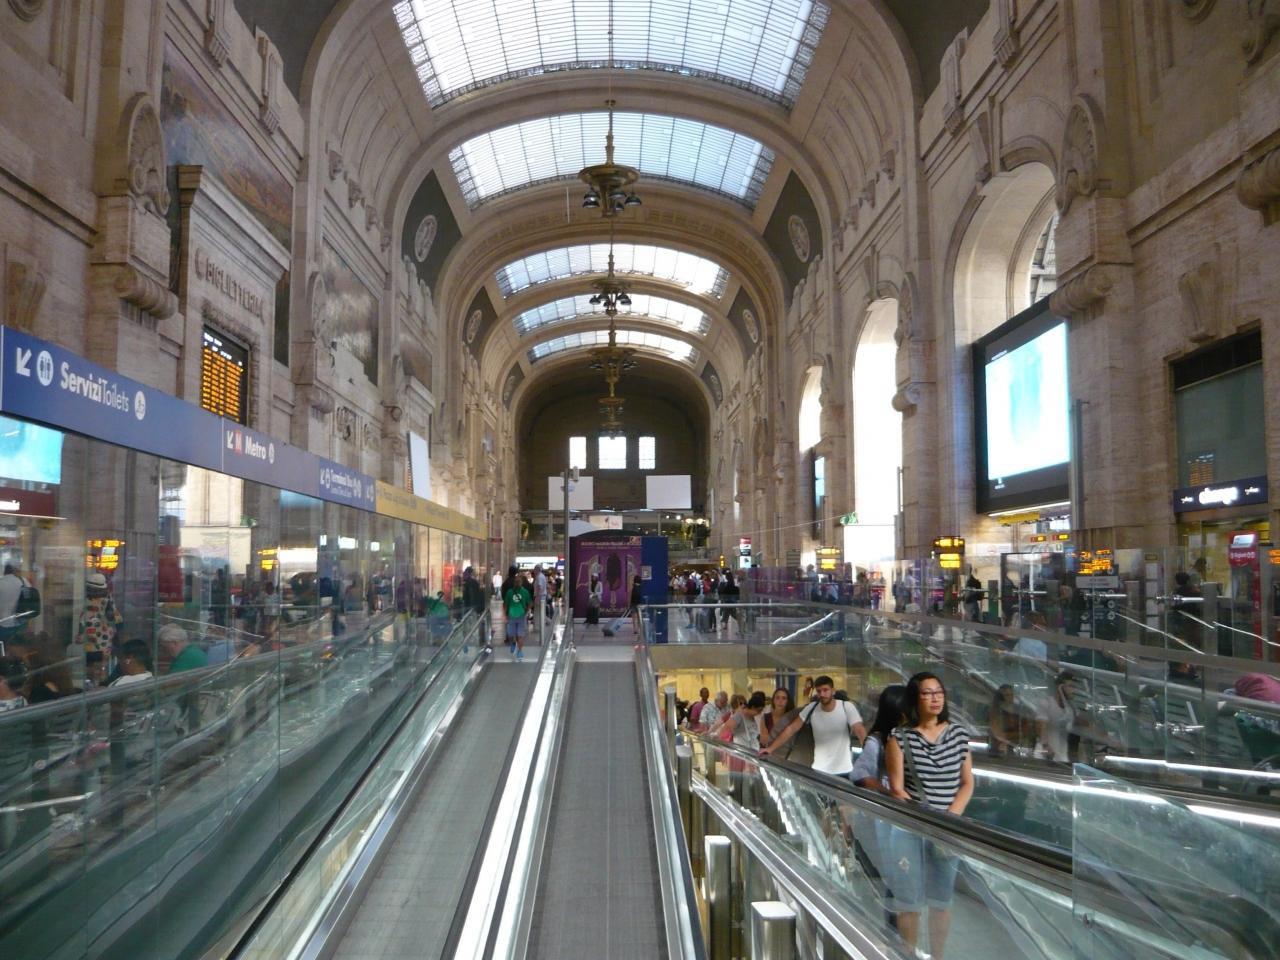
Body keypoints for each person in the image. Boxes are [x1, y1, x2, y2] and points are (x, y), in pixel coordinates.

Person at [885, 672, 973, 960]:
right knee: (908, 900)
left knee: (941, 900)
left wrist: (950, 816)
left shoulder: (958, 735)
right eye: (927, 693)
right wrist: (924, 819)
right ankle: (908, 953)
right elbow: (897, 789)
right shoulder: (899, 737)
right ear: (915, 698)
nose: (935, 698)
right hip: (910, 828)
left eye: (939, 692)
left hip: (947, 829)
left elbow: (967, 782)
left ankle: (937, 957)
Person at [760, 675, 867, 776]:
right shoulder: (811, 708)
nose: (822, 694)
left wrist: (867, 755)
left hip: (842, 769)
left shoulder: (846, 706)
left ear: (833, 691)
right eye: (819, 691)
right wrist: (770, 749)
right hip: (818, 769)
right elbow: (791, 729)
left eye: (825, 690)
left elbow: (859, 729)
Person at [1039, 671, 1077, 762]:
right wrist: (1046, 746)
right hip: (1046, 755)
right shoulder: (1046, 703)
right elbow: (1040, 727)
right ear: (1060, 687)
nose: (1074, 690)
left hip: (1062, 757)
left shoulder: (1069, 710)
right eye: (1071, 686)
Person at [988, 684, 1031, 756]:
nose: (1011, 697)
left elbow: (1026, 730)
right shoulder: (996, 711)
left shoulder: (1019, 710)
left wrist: (1017, 735)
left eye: (1012, 694)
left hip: (1016, 747)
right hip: (998, 748)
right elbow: (998, 733)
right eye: (1007, 695)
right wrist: (1017, 734)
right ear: (1001, 697)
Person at [758, 687, 796, 756]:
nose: (780, 701)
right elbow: (764, 740)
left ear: (788, 701)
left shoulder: (792, 718)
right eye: (777, 698)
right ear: (773, 700)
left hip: (787, 756)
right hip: (769, 756)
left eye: (784, 698)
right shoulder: (766, 718)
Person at [504, 572, 532, 661]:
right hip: (521, 615)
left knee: (513, 634)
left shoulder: (510, 592)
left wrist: (505, 615)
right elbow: (530, 603)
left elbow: (506, 604)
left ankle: (514, 645)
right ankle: (519, 651)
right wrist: (527, 611)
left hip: (512, 614)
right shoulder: (525, 592)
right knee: (519, 635)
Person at [0, 563, 27, 644]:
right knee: (18, 647)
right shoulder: (23, 582)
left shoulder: (1, 583)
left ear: (4, 571)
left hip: (3, 624)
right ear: (13, 571)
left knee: (3, 647)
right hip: (20, 623)